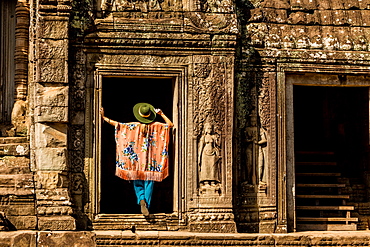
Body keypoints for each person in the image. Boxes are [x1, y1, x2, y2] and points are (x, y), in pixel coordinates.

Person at [100, 103, 173, 216]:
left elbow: (117, 125)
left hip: (136, 162)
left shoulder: (133, 126)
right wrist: (161, 114)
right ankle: (146, 205)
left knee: (137, 182)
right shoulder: (156, 126)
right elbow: (170, 125)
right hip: (151, 163)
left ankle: (141, 199)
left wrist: (104, 117)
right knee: (149, 182)